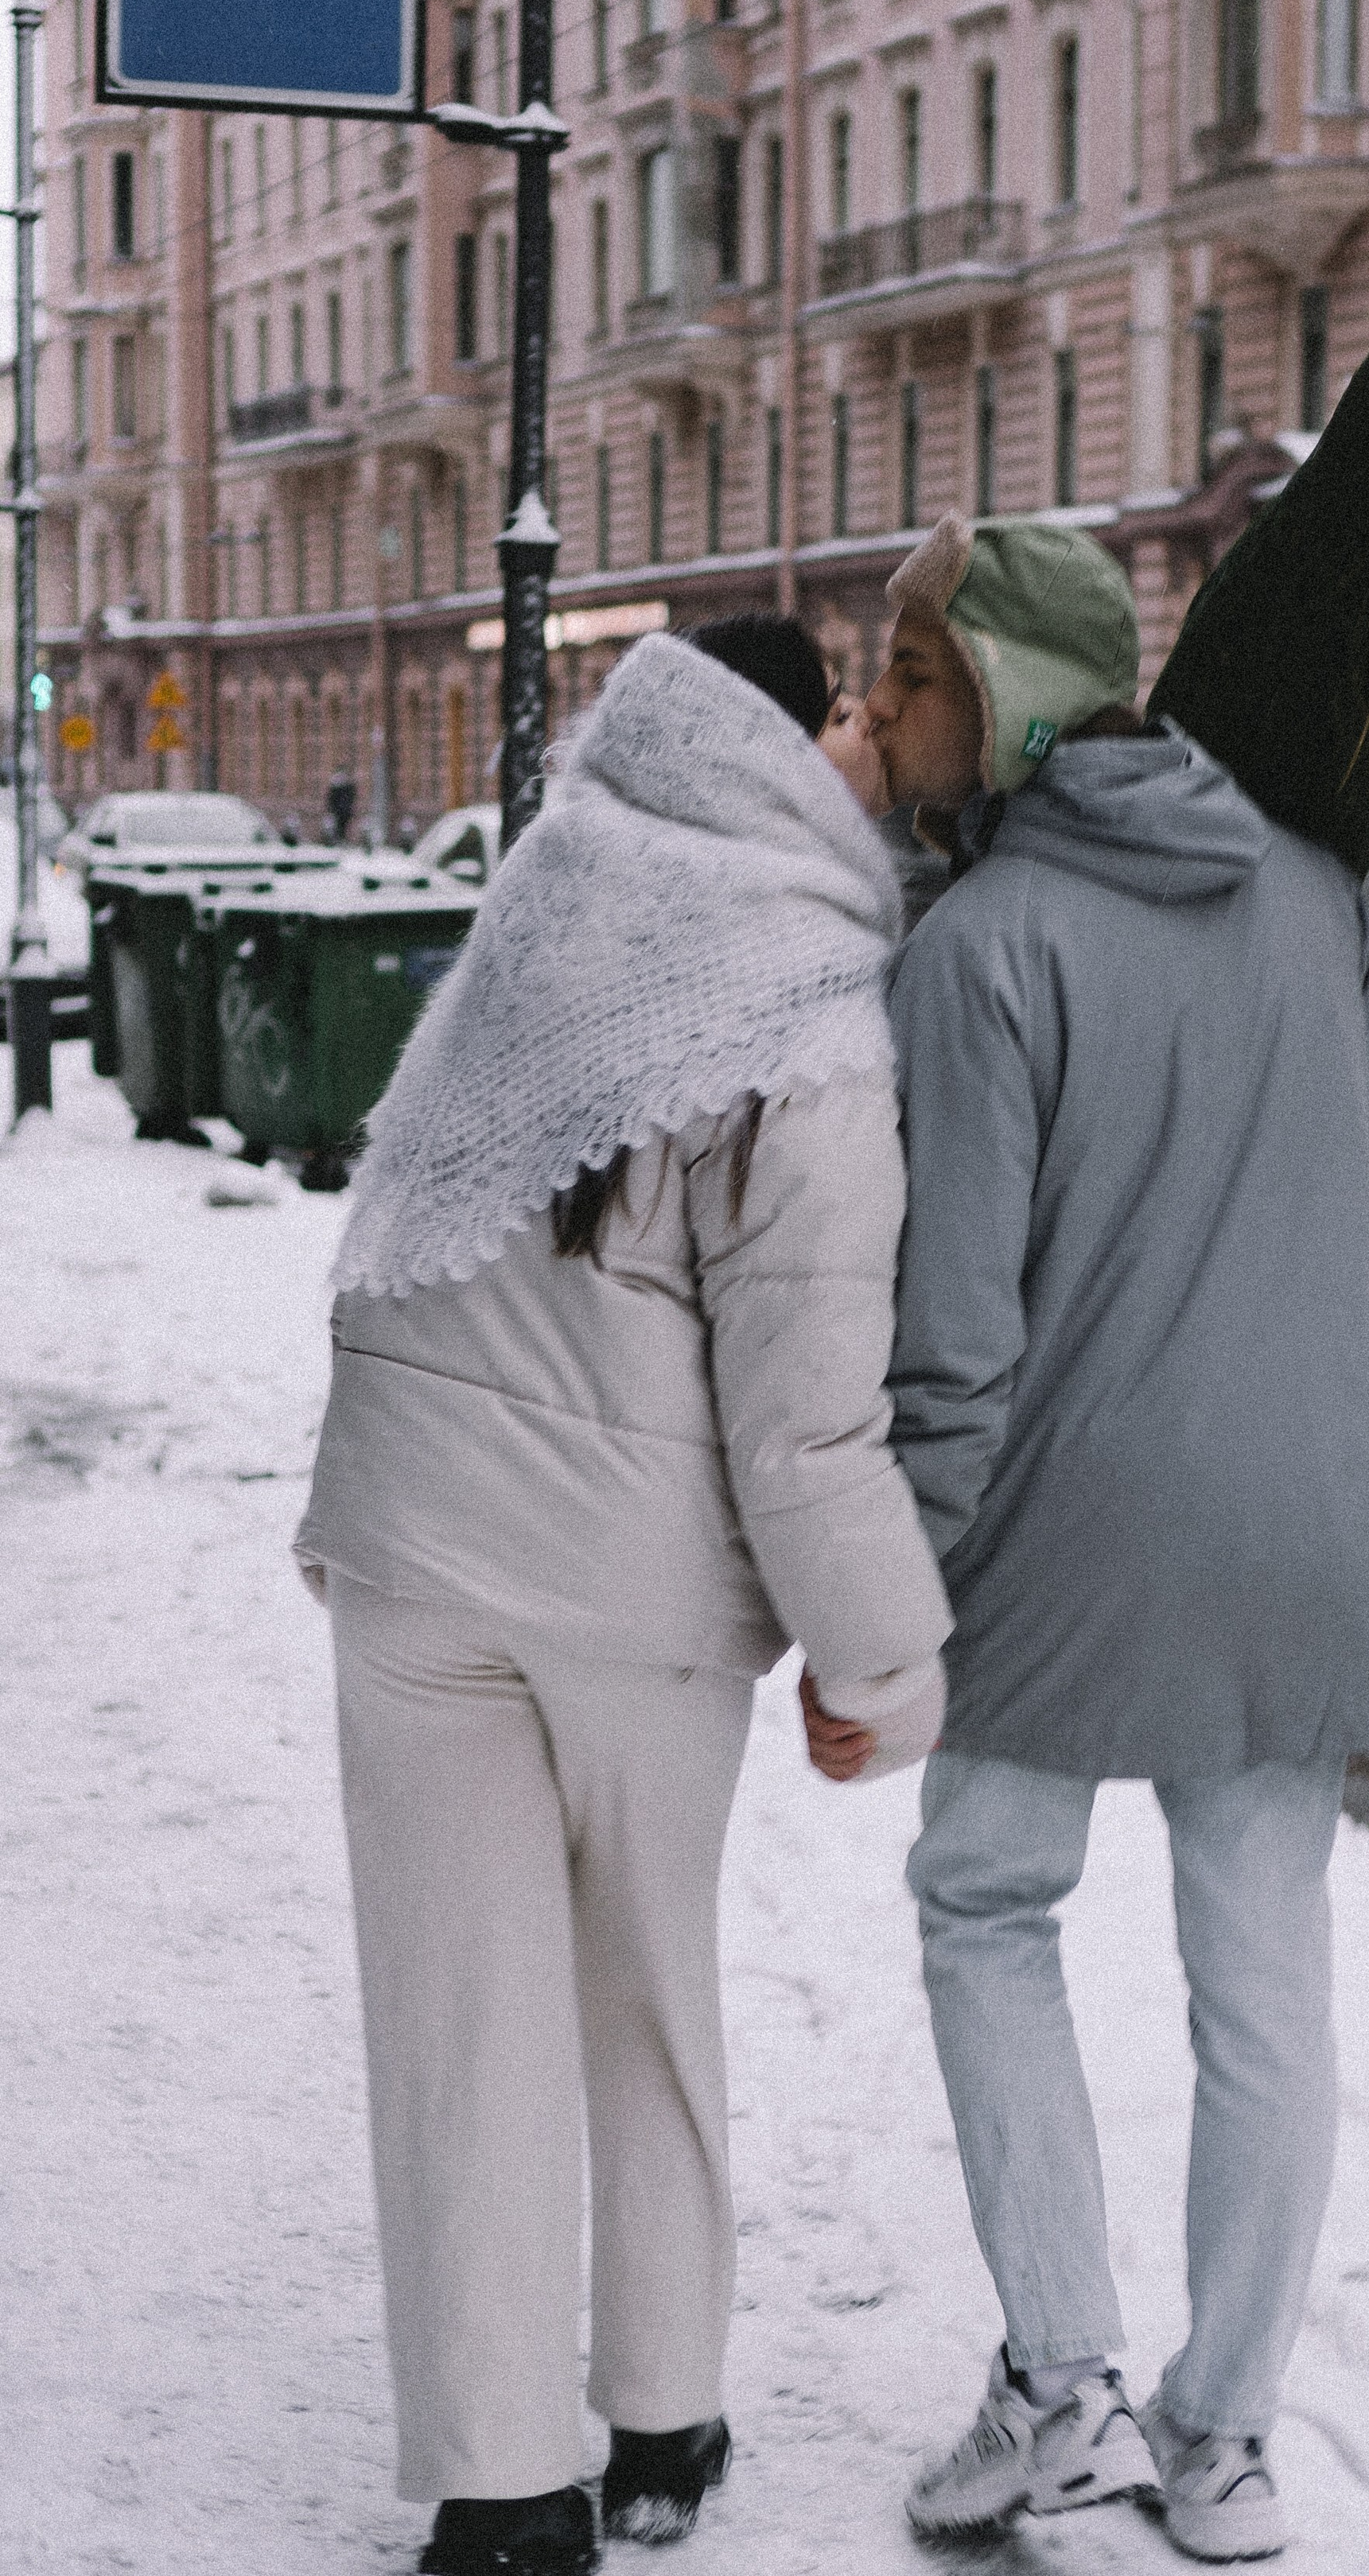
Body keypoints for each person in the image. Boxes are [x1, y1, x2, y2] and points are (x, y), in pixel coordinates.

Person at [296, 616, 951, 2576]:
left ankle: (501, 2493)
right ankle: (658, 2420)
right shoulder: (817, 1008)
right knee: (644, 1991)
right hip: (628, 1595)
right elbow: (806, 1424)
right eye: (835, 711)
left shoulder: (544, 892)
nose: (859, 742)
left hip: (410, 1548)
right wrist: (888, 1669)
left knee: (457, 2023)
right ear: (762, 745)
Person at [838, 516, 1369, 2562]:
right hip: (1311, 1530)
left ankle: (1059, 2381)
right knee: (1262, 1987)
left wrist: (883, 1609)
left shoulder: (978, 952)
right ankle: (1227, 2438)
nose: (887, 719)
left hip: (1072, 1542)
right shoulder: (1305, 876)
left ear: (998, 696)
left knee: (984, 1899)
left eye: (908, 679)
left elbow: (954, 1345)